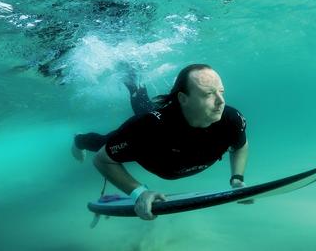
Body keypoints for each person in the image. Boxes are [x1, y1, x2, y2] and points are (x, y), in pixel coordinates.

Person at [71, 63, 249, 220]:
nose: (221, 101)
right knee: (103, 142)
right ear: (183, 98)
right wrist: (139, 193)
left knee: (144, 106)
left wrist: (237, 178)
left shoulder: (231, 120)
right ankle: (79, 140)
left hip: (165, 128)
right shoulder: (148, 128)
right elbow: (102, 160)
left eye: (221, 92)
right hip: (150, 136)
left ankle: (136, 84)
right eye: (209, 94)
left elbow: (240, 146)